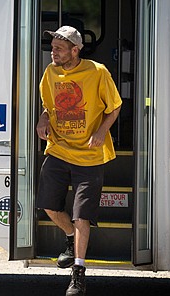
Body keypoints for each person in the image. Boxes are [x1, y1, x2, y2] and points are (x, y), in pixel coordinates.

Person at [36, 26, 122, 296]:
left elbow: (115, 106)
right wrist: (43, 118)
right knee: (48, 206)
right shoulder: (50, 72)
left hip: (90, 156)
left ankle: (78, 275)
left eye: (59, 48)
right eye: (53, 48)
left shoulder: (97, 72)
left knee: (81, 216)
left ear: (76, 50)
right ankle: (71, 238)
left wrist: (101, 131)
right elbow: (48, 104)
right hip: (59, 150)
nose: (54, 52)